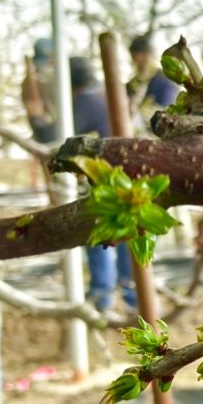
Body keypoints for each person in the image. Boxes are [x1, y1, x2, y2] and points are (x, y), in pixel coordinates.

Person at [66, 56, 136, 316]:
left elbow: (57, 135)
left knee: (96, 235)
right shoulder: (109, 95)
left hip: (107, 181)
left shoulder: (85, 102)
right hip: (130, 176)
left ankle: (102, 298)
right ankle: (133, 298)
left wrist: (35, 114)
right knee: (128, 236)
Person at [128, 32, 182, 117]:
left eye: (143, 61)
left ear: (151, 55)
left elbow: (167, 112)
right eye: (136, 62)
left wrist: (139, 110)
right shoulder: (131, 85)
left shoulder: (167, 80)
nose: (140, 66)